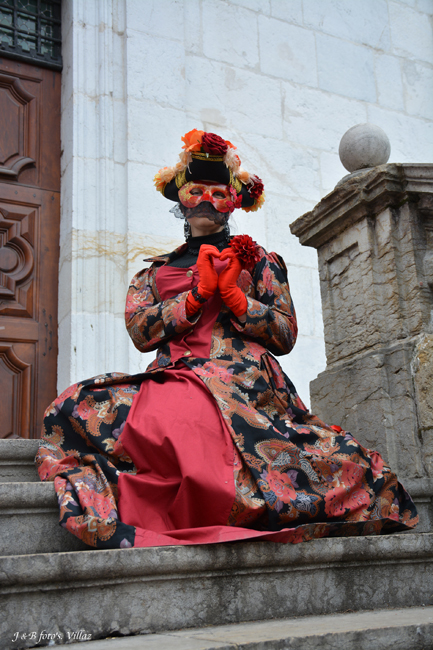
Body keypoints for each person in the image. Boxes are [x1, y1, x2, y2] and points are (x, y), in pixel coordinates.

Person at [36, 129, 418, 549]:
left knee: (189, 414)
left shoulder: (260, 262)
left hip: (243, 380)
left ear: (235, 199)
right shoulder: (152, 273)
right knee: (76, 402)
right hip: (173, 375)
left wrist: (238, 300)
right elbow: (139, 331)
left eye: (218, 192)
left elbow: (285, 332)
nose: (205, 200)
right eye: (196, 190)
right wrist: (194, 297)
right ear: (181, 198)